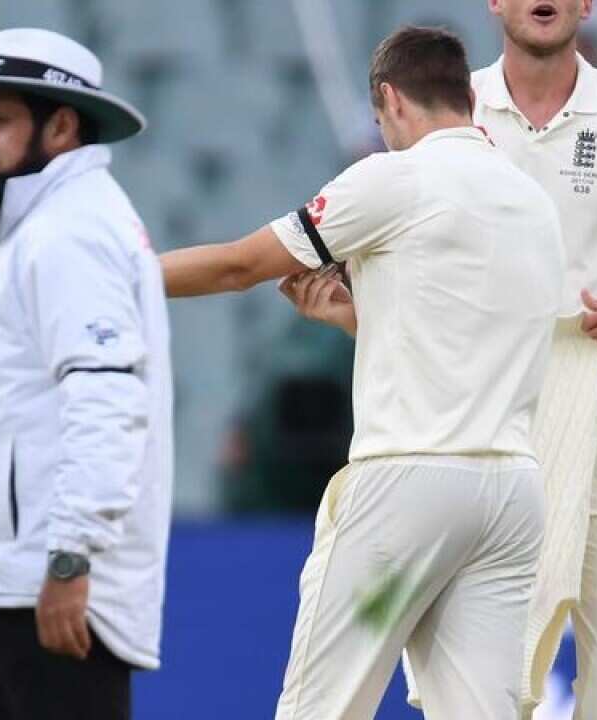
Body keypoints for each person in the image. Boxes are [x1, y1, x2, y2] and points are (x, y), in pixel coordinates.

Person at [162, 26, 566, 719]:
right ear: (467, 97)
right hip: (511, 495)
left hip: (407, 490)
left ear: (388, 100)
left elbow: (236, 266)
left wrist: (109, 277)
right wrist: (357, 320)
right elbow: (470, 333)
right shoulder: (532, 201)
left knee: (318, 709)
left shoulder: (392, 176)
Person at [287, 3, 597, 716]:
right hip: (504, 405)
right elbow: (416, 275)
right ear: (495, 1)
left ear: (589, 5)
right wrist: (359, 316)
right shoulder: (455, 112)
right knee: (500, 687)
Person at [0, 28, 174, 720]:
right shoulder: (49, 225)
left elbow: (107, 399)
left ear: (62, 125)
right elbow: (8, 414)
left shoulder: (69, 230)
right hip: (25, 583)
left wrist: (69, 559)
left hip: (54, 590)